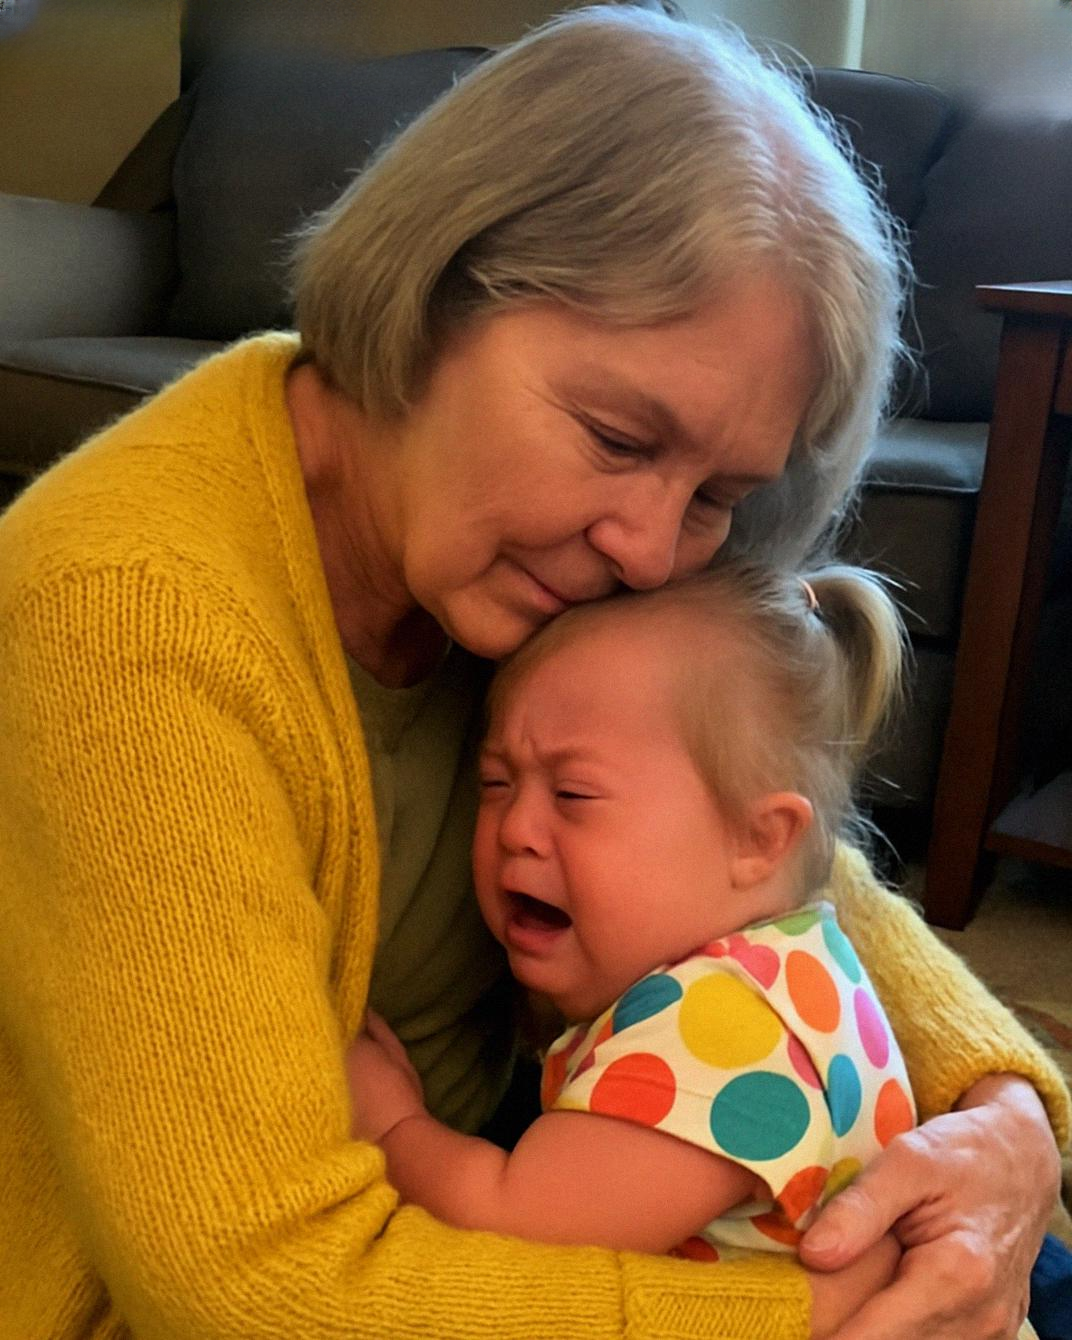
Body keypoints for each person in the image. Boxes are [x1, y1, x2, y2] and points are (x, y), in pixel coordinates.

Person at [0, 7, 1066, 1339]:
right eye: (616, 437)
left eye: (716, 494)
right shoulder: (127, 615)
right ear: (432, 294)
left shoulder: (507, 541)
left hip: (538, 1164)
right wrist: (813, 1317)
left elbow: (754, 840)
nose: (649, 548)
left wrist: (1003, 1112)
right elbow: (253, 1287)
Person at [347, 561, 924, 1259]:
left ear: (758, 839)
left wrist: (393, 1126)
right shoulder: (790, 962)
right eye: (496, 784)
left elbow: (514, 1226)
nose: (515, 828)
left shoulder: (718, 1031)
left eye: (574, 795)